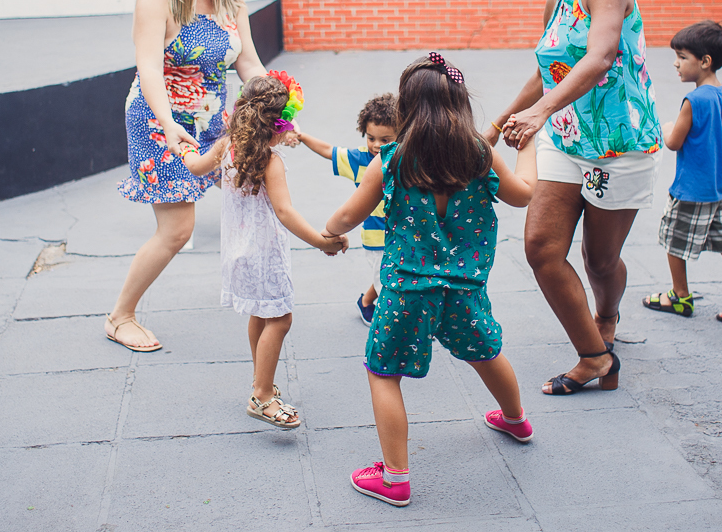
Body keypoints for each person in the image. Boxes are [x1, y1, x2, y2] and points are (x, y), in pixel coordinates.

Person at [323, 54, 538, 507]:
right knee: (487, 351)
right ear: (460, 103)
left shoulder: (392, 160)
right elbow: (524, 195)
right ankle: (516, 420)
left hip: (405, 290)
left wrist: (330, 230)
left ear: (405, 110)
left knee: (383, 374)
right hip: (464, 287)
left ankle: (395, 478)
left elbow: (346, 216)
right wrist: (528, 146)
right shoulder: (479, 153)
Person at [491, 0, 663, 395]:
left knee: (599, 260)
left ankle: (605, 316)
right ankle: (595, 357)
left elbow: (600, 55)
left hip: (619, 147)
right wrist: (493, 127)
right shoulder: (554, 1)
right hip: (566, 142)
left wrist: (541, 111)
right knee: (542, 248)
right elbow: (546, 71)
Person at [105, 0, 271, 353]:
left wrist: (278, 102)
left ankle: (266, 302)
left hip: (213, 120)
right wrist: (169, 125)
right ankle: (120, 317)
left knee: (260, 185)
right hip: (159, 122)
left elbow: (249, 62)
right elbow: (150, 70)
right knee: (177, 230)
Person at [184, 72, 347, 429]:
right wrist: (321, 242)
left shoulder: (226, 147)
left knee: (260, 314)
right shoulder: (271, 162)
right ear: (277, 123)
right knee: (280, 318)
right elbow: (286, 212)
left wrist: (182, 146)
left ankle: (262, 377)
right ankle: (262, 395)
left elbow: (195, 167)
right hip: (263, 255)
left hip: (236, 254)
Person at [642, 21, 722, 324]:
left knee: (673, 240)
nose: (676, 63)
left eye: (682, 57)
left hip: (690, 190)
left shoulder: (693, 100)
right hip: (719, 188)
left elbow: (673, 142)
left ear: (705, 61)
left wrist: (667, 126)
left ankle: (679, 295)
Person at [296, 93, 397, 325]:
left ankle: (365, 302)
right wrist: (301, 137)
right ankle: (394, 327)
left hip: (406, 234)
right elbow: (328, 150)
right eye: (371, 138)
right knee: (388, 281)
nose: (376, 145)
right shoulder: (360, 159)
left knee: (393, 275)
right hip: (377, 238)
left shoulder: (406, 156)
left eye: (385, 139)